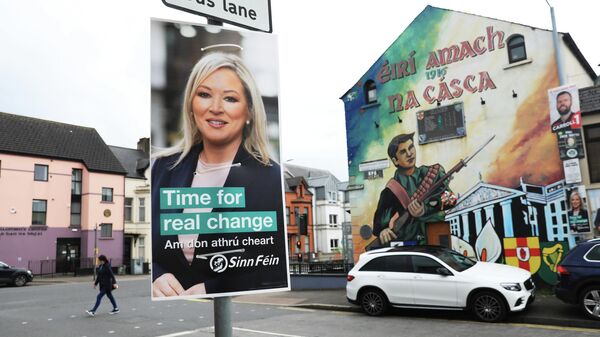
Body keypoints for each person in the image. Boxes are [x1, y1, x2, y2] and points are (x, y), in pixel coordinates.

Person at [151, 52, 286, 297]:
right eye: (204, 95)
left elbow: (275, 266)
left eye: (230, 99)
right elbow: (155, 250)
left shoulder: (271, 177)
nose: (215, 108)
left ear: (250, 112)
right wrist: (156, 275)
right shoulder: (163, 167)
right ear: (191, 105)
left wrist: (215, 288)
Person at [372, 133, 455, 247]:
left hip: (435, 239)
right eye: (403, 152)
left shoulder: (432, 174)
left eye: (411, 147)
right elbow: (378, 224)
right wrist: (383, 231)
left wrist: (425, 209)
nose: (409, 153)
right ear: (395, 160)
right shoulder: (390, 191)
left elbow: (451, 199)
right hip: (409, 247)